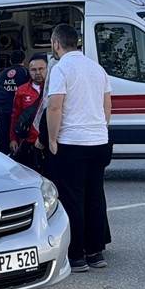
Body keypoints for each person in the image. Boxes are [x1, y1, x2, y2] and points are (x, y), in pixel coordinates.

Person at [44, 24, 113, 272]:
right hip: (99, 141)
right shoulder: (96, 68)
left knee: (73, 199)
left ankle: (76, 256)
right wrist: (101, 129)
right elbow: (107, 105)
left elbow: (55, 106)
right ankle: (95, 252)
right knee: (95, 197)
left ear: (56, 43)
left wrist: (53, 139)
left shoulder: (61, 68)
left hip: (72, 142)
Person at [10, 55, 48, 172]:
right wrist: (13, 139)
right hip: (28, 142)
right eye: (33, 70)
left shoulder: (54, 88)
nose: (37, 73)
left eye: (41, 69)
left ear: (47, 69)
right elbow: (15, 116)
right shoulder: (21, 91)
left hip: (49, 142)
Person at [0, 49, 30, 154]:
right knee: (19, 137)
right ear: (24, 60)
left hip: (4, 110)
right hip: (19, 111)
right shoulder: (25, 73)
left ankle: (4, 157)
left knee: (4, 138)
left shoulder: (2, 73)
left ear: (10, 60)